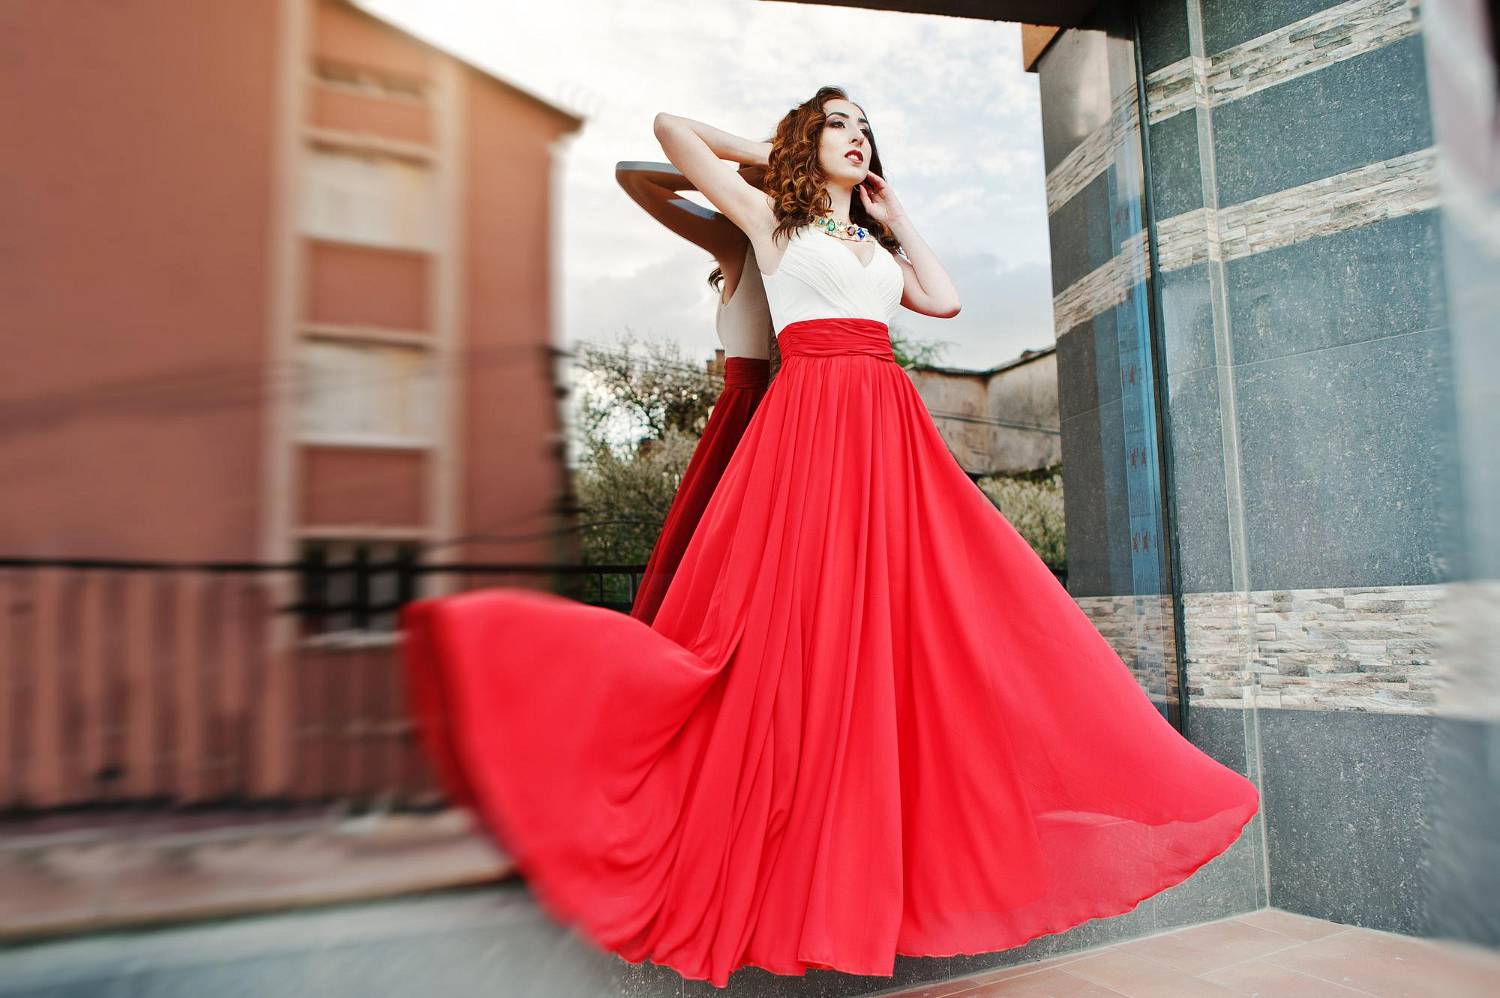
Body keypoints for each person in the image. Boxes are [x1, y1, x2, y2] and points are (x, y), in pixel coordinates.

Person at [399, 85, 1261, 989]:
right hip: (808, 427)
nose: (858, 139)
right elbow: (668, 132)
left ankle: (889, 836)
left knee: (944, 619)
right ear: (809, 142)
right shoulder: (771, 220)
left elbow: (942, 298)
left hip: (887, 430)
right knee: (779, 631)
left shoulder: (872, 242)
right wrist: (784, 158)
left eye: (866, 129)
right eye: (838, 125)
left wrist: (896, 211)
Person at [613, 159, 777, 625]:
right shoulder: (739, 239)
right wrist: (729, 176)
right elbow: (633, 175)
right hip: (745, 418)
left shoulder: (822, 245)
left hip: (802, 408)